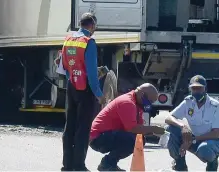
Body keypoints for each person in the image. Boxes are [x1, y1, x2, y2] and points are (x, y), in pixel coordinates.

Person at [61, 12, 104, 172]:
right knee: (83, 128)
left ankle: (67, 165)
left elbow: (64, 66)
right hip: (85, 88)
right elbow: (92, 74)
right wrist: (98, 94)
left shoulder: (68, 40)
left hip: (72, 85)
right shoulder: (89, 42)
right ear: (92, 26)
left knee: (69, 126)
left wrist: (73, 78)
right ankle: (79, 165)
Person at [89, 83, 166, 171]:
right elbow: (132, 128)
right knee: (131, 140)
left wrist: (153, 131)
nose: (149, 104)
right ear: (142, 95)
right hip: (97, 138)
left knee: (140, 140)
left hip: (107, 134)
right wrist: (153, 129)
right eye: (149, 101)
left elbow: (140, 128)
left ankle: (110, 163)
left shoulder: (138, 104)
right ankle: (107, 164)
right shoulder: (127, 102)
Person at [165, 75, 219, 171]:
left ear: (205, 89)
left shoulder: (215, 106)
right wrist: (183, 126)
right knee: (170, 130)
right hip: (195, 140)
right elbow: (169, 118)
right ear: (190, 90)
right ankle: (180, 165)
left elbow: (216, 133)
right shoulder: (188, 102)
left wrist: (190, 140)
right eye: (194, 88)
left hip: (214, 142)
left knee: (204, 149)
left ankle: (212, 163)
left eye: (199, 88)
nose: (196, 91)